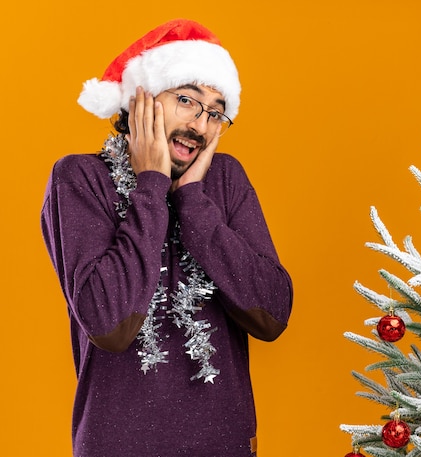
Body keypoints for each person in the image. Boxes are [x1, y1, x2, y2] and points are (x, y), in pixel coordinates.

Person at [40, 19, 293, 457]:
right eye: (187, 101)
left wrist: (193, 201)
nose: (200, 124)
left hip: (225, 445)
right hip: (117, 445)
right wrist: (152, 185)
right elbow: (108, 324)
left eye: (215, 112)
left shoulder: (225, 180)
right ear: (140, 100)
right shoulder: (80, 178)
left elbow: (272, 314)